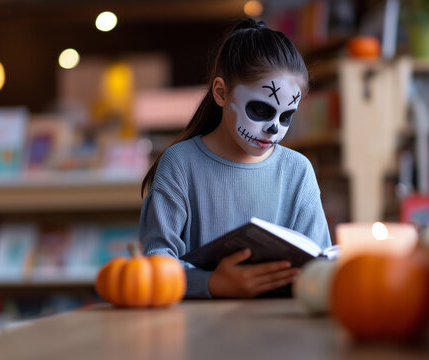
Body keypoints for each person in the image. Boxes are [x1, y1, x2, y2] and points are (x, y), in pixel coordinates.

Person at [139, 19, 332, 299]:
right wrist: (211, 283)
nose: (274, 128)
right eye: (260, 110)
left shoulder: (297, 171)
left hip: (281, 330)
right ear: (221, 92)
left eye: (286, 116)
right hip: (198, 332)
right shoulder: (180, 164)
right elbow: (154, 262)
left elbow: (318, 262)